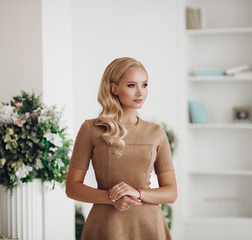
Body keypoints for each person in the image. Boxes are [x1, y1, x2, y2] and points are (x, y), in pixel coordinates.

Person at [65, 57, 177, 240]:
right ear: (114, 88)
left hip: (149, 224)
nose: (140, 92)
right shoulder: (91, 129)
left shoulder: (156, 132)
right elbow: (72, 187)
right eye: (132, 85)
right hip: (106, 225)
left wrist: (137, 193)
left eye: (145, 84)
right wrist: (112, 198)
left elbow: (171, 192)